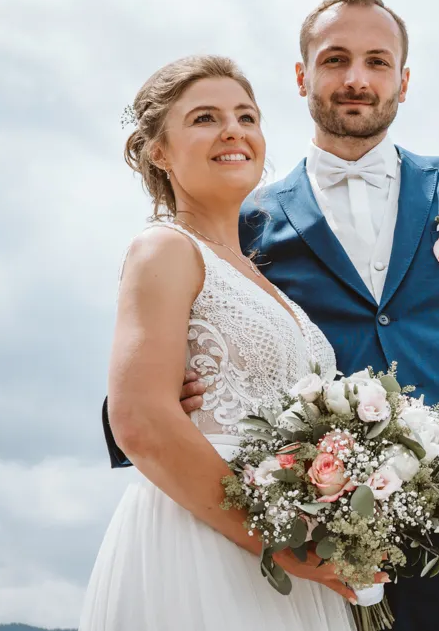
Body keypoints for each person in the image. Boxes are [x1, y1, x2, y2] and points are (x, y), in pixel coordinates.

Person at [103, 0, 439, 630]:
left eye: (377, 61)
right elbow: (175, 354)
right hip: (357, 540)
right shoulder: (245, 221)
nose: (356, 79)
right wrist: (158, 403)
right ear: (302, 75)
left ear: (404, 78)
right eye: (335, 59)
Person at [80, 55, 371, 631]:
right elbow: (138, 420)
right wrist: (283, 544)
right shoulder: (163, 249)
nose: (234, 130)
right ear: (159, 151)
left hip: (291, 551)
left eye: (246, 116)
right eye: (205, 118)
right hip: (206, 542)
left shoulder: (262, 279)